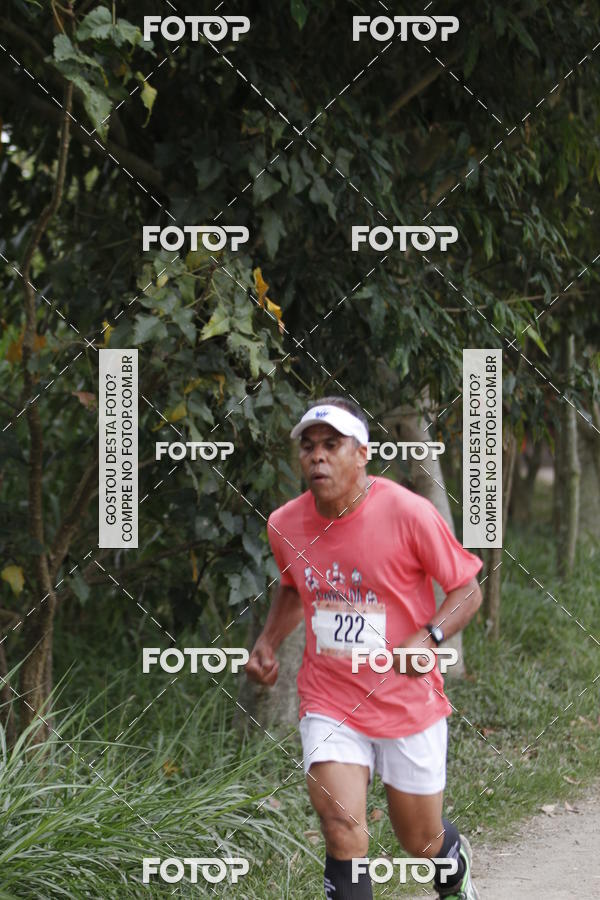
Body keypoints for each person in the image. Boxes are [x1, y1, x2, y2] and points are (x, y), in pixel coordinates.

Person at [245, 396, 483, 899]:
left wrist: (430, 636)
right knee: (342, 827)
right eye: (308, 447)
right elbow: (293, 586)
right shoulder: (285, 524)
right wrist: (268, 640)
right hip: (330, 699)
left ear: (362, 454)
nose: (317, 457)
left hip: (406, 701)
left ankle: (452, 867)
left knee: (419, 839)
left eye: (332, 445)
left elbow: (468, 588)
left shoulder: (408, 512)